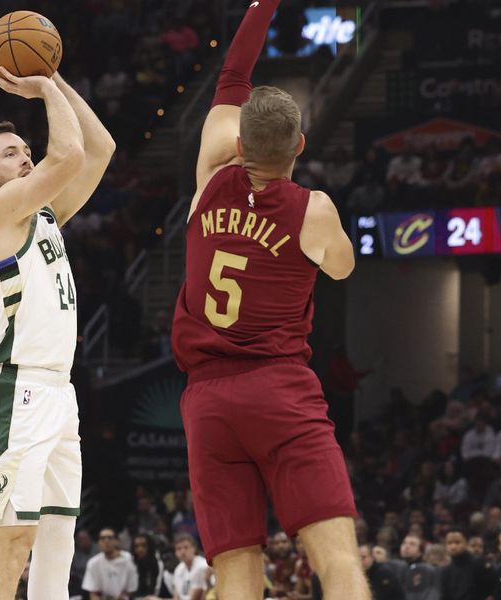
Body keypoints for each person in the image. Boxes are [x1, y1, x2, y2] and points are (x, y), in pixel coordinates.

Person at [169, 1, 369, 598]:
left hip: (206, 402)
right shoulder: (314, 210)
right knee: (337, 562)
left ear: (237, 141)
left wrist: (263, 4)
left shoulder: (208, 174)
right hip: (278, 390)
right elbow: (342, 268)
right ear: (300, 144)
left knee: (235, 570)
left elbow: (233, 75)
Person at [0, 56, 115, 600]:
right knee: (11, 549)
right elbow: (69, 153)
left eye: (28, 152)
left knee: (57, 547)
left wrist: (55, 80)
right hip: (16, 391)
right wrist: (43, 88)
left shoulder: (44, 216)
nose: (26, 159)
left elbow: (99, 150)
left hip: (58, 392)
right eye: (11, 154)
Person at [81, 529, 138, 600]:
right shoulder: (93, 563)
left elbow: (132, 589)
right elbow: (93, 593)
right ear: (98, 542)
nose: (106, 541)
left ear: (117, 541)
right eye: (102, 538)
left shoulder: (129, 559)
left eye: (110, 538)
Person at [171, 534, 207, 600]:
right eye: (179, 549)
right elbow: (176, 596)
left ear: (194, 548)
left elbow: (197, 597)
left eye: (186, 547)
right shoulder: (178, 569)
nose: (182, 552)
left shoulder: (202, 566)